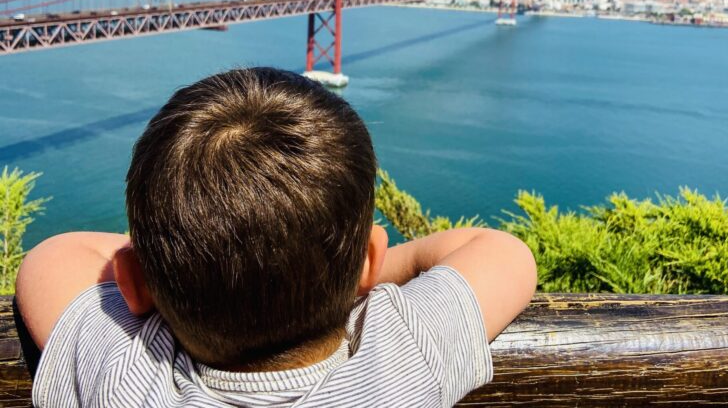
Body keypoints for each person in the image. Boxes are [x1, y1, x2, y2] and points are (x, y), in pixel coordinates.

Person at [15, 67, 537, 407]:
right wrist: (344, 265)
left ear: (134, 281)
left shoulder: (124, 377)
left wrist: (169, 260)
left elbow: (52, 258)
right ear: (369, 263)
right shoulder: (403, 351)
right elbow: (504, 252)